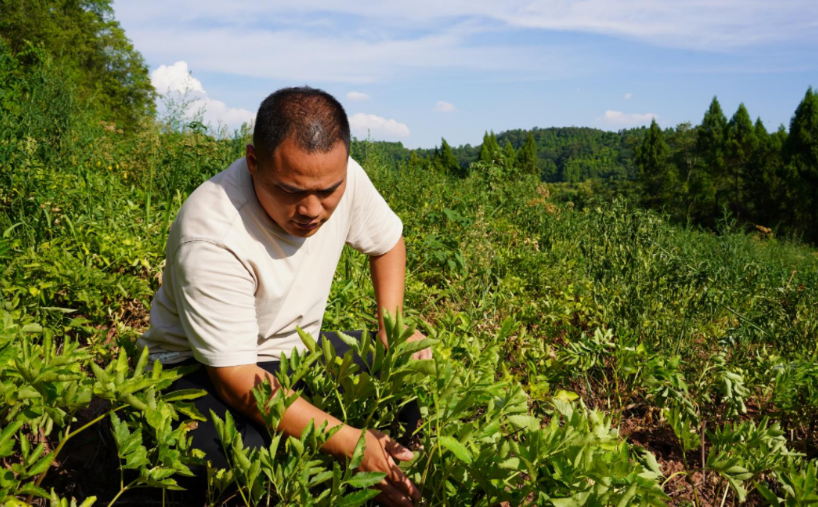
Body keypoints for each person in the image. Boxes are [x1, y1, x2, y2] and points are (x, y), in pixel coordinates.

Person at [137, 86, 429, 507]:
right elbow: (236, 380)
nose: (312, 209)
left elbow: (387, 244)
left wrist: (392, 329)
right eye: (291, 191)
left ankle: (401, 470)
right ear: (253, 163)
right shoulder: (212, 233)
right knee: (243, 464)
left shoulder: (341, 177)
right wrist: (347, 441)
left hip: (292, 353)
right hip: (197, 368)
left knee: (409, 364)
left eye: (328, 191)